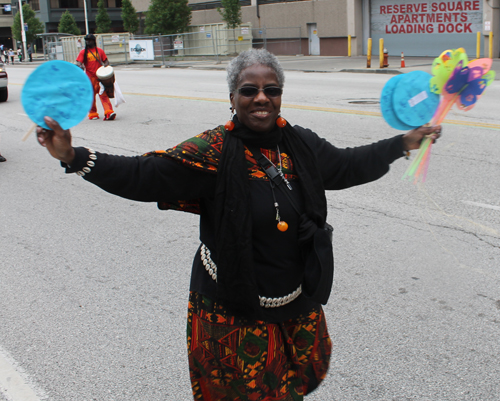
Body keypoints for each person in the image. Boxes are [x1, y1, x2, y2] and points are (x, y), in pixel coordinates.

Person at [36, 48, 441, 400]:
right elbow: (146, 175)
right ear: (233, 97)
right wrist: (73, 156)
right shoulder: (213, 151)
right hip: (231, 309)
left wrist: (403, 143)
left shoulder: (300, 144)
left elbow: (347, 165)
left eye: (272, 90)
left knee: (294, 385)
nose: (261, 98)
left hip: (296, 301)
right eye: (249, 90)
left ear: (281, 96)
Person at [76, 34, 116, 121]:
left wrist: (105, 66)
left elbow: (106, 61)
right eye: (86, 40)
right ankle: (93, 113)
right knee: (91, 97)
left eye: (89, 40)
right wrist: (80, 66)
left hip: (99, 78)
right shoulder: (83, 52)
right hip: (89, 78)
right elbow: (79, 62)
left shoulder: (99, 51)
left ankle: (109, 112)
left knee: (103, 95)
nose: (87, 42)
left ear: (93, 41)